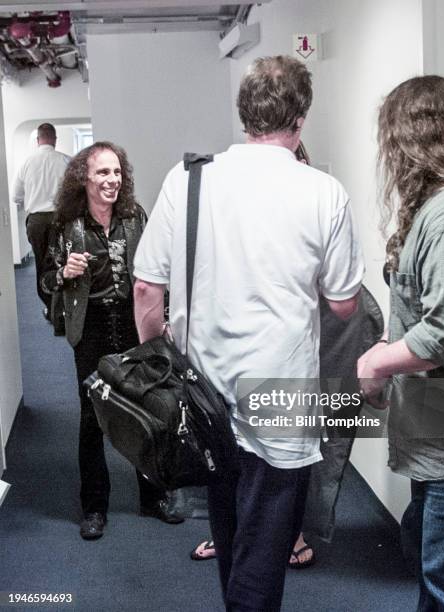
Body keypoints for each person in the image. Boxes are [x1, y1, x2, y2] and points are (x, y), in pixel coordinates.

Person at [133, 55, 364, 611]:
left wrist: (154, 363)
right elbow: (343, 303)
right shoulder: (323, 192)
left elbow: (146, 289)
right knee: (266, 542)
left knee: (229, 522)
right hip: (281, 389)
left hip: (203, 386)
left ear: (244, 115)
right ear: (300, 118)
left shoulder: (187, 178)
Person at [358, 75, 444, 611]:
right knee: (438, 576)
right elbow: (428, 308)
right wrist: (393, 334)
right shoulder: (439, 208)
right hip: (442, 435)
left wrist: (377, 361)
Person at [41, 141, 183, 540]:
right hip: (92, 328)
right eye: (103, 172)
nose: (112, 180)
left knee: (148, 411)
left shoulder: (135, 217)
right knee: (93, 417)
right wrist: (65, 273)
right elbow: (46, 281)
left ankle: (152, 497)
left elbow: (157, 272)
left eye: (117, 172)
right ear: (83, 178)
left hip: (133, 322)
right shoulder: (66, 225)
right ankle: (94, 506)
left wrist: (166, 316)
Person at [190, 141, 316, 569]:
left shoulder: (312, 200)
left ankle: (286, 537)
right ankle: (235, 541)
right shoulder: (240, 208)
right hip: (235, 360)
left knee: (282, 464)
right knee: (236, 460)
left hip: (288, 364)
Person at [13, 123, 70, 321]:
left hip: (36, 220)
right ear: (54, 139)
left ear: (38, 140)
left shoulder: (26, 163)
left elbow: (16, 197)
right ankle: (61, 310)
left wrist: (32, 200)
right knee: (61, 263)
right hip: (60, 219)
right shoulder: (65, 161)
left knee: (41, 264)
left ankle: (49, 308)